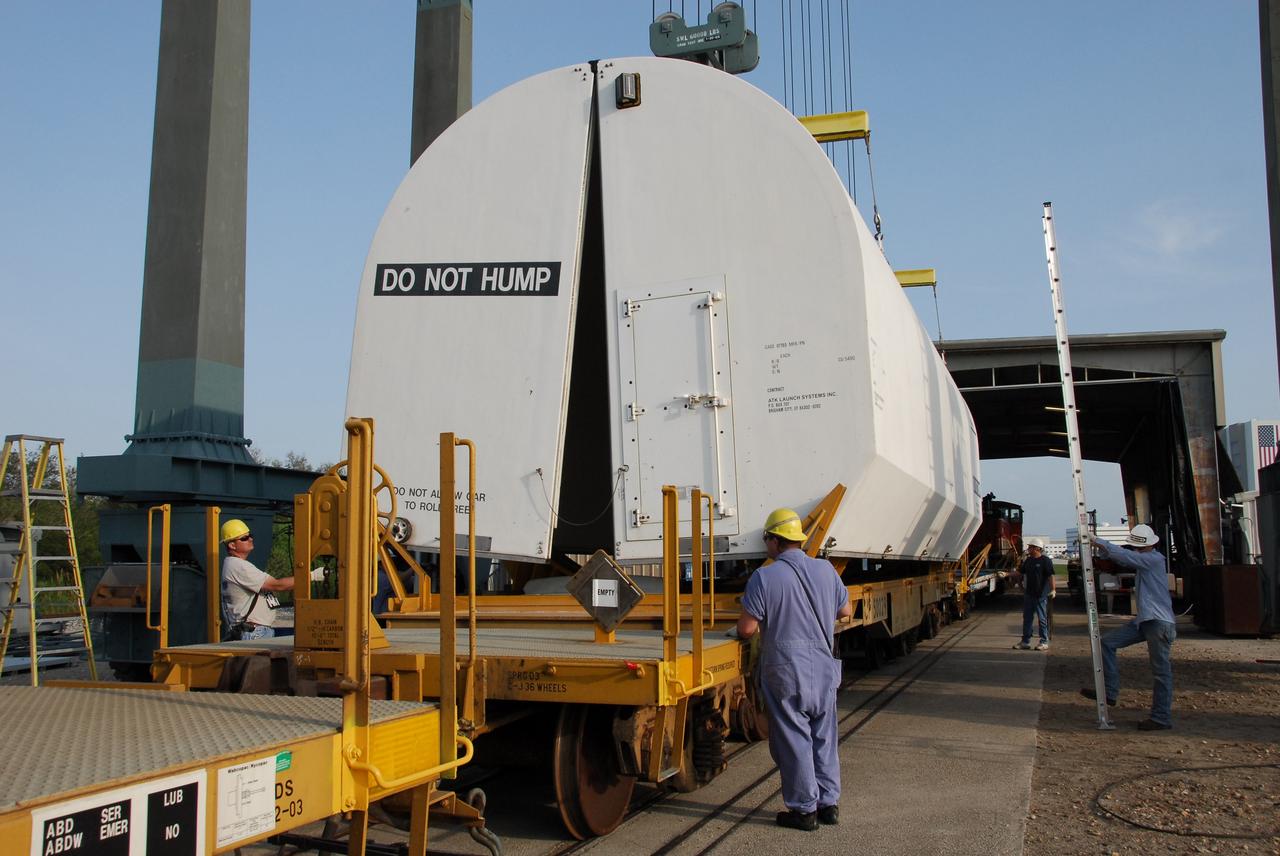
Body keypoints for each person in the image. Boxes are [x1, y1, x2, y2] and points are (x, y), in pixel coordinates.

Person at [737, 508, 852, 831]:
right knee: (824, 737)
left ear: (775, 541)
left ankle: (804, 811)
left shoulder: (765, 577)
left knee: (794, 740)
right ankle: (828, 804)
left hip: (787, 672)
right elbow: (845, 610)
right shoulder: (826, 570)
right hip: (823, 667)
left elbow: (747, 629)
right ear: (797, 541)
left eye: (766, 540)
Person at [1079, 524, 1176, 731]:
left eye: (1138, 548)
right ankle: (1110, 693)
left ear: (1149, 546)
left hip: (1158, 623)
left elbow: (1125, 556)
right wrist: (1100, 547)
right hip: (1146, 621)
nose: (1136, 551)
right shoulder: (1146, 559)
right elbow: (1121, 557)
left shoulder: (1153, 560)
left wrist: (1097, 540)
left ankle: (1161, 718)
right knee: (1107, 643)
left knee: (1161, 673)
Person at [220, 519, 323, 640]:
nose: (250, 539)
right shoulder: (238, 566)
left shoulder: (236, 565)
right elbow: (278, 585)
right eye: (244, 538)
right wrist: (313, 576)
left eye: (250, 536)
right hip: (254, 632)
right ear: (232, 545)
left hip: (256, 630)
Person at [1012, 537, 1055, 651]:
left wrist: (1053, 589)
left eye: (1030, 547)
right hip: (1029, 594)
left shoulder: (1045, 561)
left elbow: (1051, 576)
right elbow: (1019, 573)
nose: (1028, 549)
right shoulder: (1028, 561)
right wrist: (1007, 574)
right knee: (1027, 618)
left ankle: (1044, 641)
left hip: (1041, 595)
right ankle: (1025, 641)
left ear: (1037, 548)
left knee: (1042, 619)